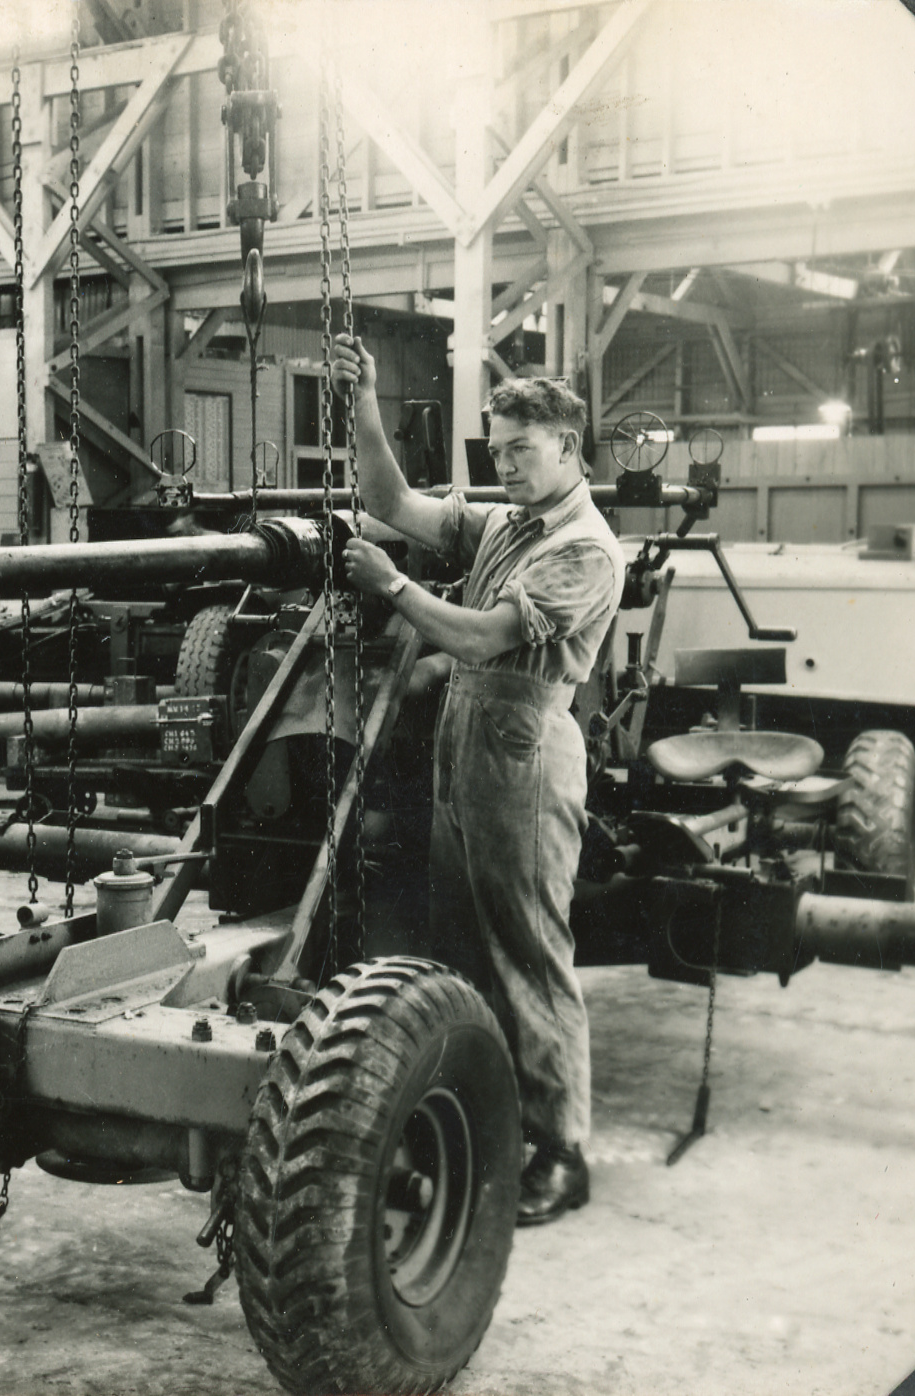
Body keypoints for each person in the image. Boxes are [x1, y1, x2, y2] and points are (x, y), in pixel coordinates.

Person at [327, 333, 623, 1227]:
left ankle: (562, 1150)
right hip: (467, 741)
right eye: (496, 453)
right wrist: (364, 401)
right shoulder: (506, 523)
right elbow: (390, 502)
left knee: (528, 951)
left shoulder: (584, 548)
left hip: (524, 749)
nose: (506, 467)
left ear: (566, 446)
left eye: (521, 451)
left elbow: (481, 637)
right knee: (461, 944)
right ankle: (485, 1123)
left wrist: (391, 586)